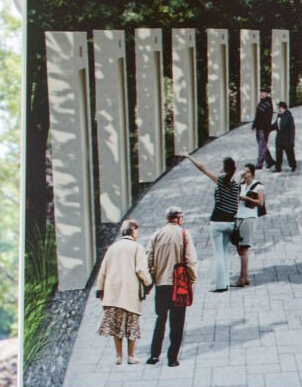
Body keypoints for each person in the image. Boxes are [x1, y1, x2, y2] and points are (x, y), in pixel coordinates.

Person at [145, 206, 198, 367]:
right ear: (179, 218)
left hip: (161, 284)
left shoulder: (157, 234)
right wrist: (192, 281)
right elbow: (190, 261)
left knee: (160, 319)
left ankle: (154, 355)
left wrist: (152, 279)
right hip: (178, 285)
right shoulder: (184, 234)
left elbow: (148, 259)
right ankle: (172, 358)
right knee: (177, 322)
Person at [95, 218, 151, 366]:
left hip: (113, 292)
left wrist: (99, 289)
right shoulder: (137, 248)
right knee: (131, 324)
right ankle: (131, 356)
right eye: (137, 230)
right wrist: (148, 282)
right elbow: (141, 270)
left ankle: (118, 356)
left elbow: (103, 270)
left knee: (116, 325)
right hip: (130, 292)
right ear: (133, 230)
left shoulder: (112, 247)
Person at [186, 154, 242, 292]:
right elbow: (236, 205)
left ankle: (220, 285)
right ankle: (226, 282)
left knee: (218, 254)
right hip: (230, 222)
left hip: (217, 221)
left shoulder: (221, 181)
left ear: (224, 168)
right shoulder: (236, 185)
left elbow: (202, 168)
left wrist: (188, 156)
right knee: (224, 253)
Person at [231, 163, 264, 289]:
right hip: (238, 217)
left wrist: (247, 199)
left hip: (249, 218)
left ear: (253, 173)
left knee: (244, 249)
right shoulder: (241, 185)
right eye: (244, 172)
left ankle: (242, 278)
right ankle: (245, 277)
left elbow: (260, 202)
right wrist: (239, 179)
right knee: (239, 248)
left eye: (247, 172)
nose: (245, 174)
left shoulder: (258, 186)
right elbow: (232, 190)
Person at [252, 88, 276, 170]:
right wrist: (254, 125)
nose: (262, 94)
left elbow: (267, 119)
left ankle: (259, 164)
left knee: (261, 146)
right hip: (259, 127)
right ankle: (270, 161)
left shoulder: (267, 104)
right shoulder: (262, 102)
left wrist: (266, 130)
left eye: (264, 93)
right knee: (262, 145)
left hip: (263, 129)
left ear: (267, 94)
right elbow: (257, 115)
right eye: (261, 92)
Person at [272, 102, 297, 172]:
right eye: (279, 108)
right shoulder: (279, 115)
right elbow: (276, 125)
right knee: (278, 153)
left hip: (287, 138)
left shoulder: (289, 116)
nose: (279, 109)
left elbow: (292, 130)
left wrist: (292, 140)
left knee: (289, 153)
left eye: (280, 108)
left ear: (284, 108)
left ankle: (293, 165)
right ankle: (278, 168)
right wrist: (268, 129)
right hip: (279, 137)